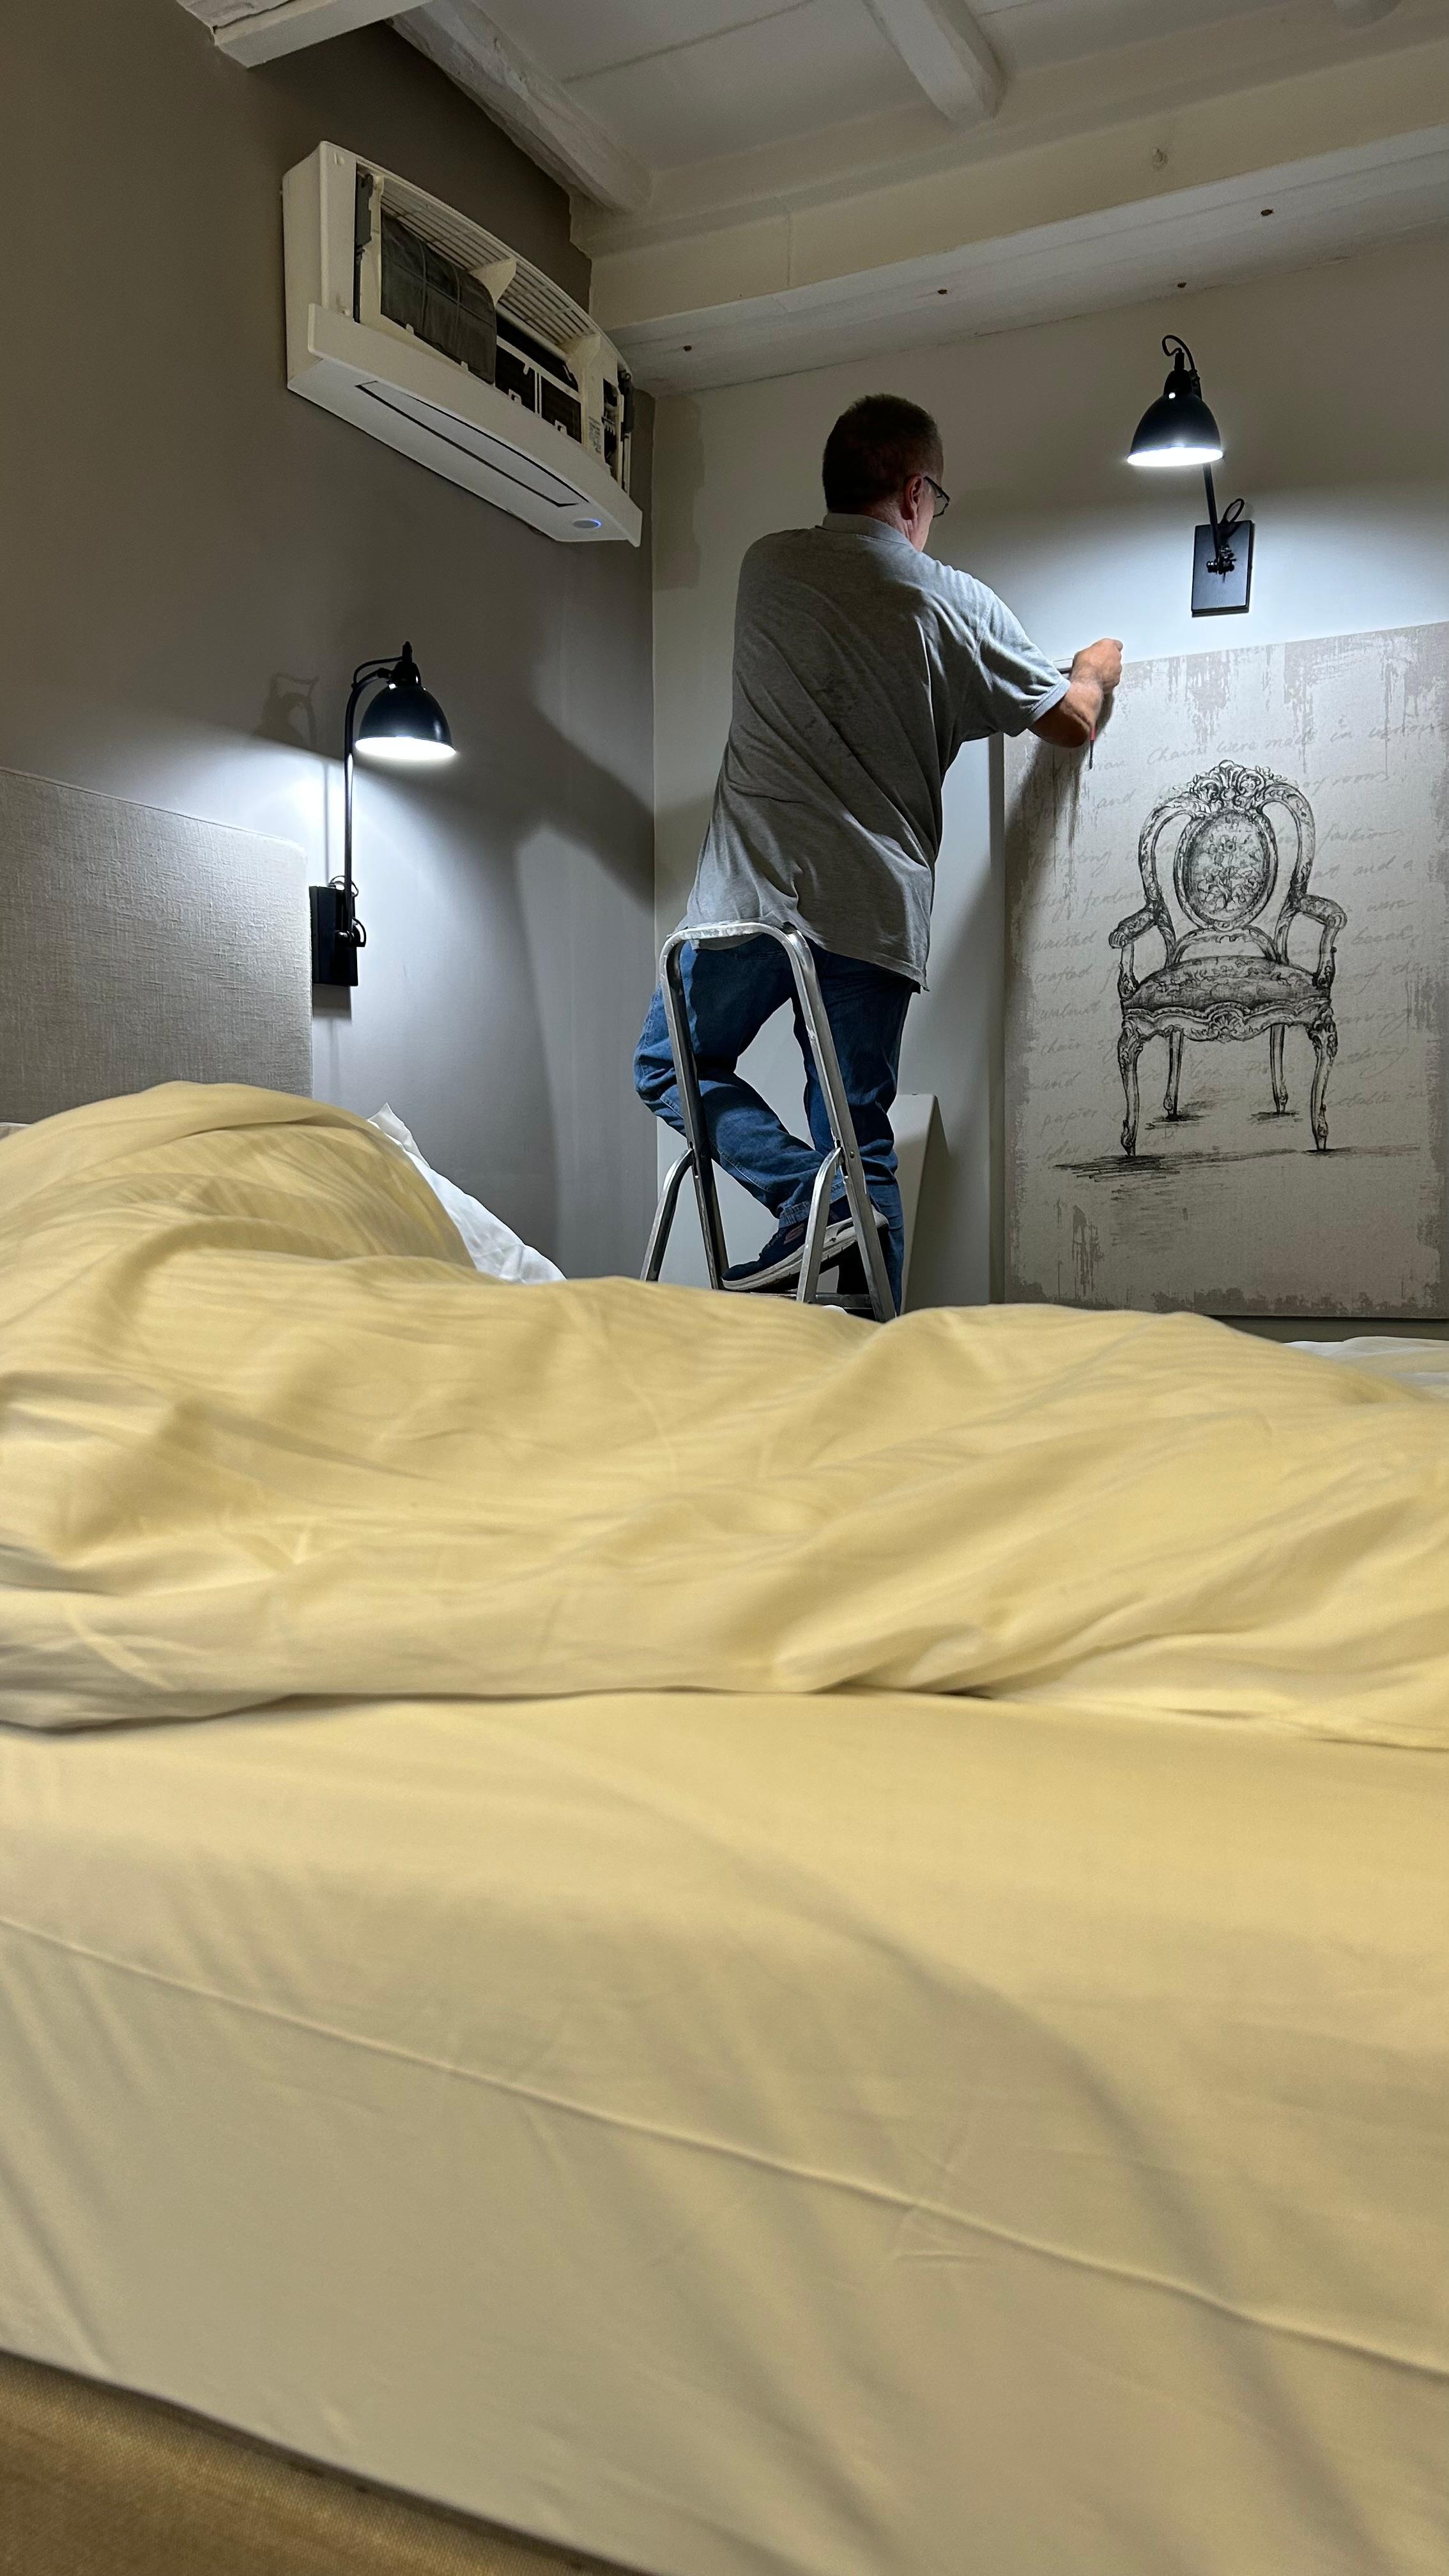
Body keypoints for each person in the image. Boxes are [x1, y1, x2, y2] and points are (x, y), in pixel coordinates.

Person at [634, 392, 1121, 1310]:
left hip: (747, 903)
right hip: (869, 912)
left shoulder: (767, 566)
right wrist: (1094, 666)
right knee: (858, 1146)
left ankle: (805, 1202)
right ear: (914, 491)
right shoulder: (954, 603)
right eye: (937, 500)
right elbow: (1070, 722)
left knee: (669, 1067)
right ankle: (849, 1265)